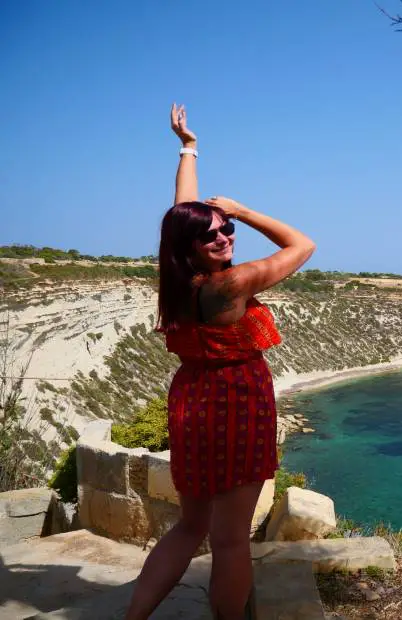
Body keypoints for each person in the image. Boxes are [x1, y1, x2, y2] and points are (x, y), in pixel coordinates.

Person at [125, 104, 316, 620]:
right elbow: (303, 244)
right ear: (193, 245)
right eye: (213, 234)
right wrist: (243, 209)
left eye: (227, 227)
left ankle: (133, 616)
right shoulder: (230, 283)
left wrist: (187, 147)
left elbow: (182, 212)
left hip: (192, 400)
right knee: (230, 542)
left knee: (191, 526)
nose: (225, 236)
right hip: (237, 401)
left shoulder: (178, 270)